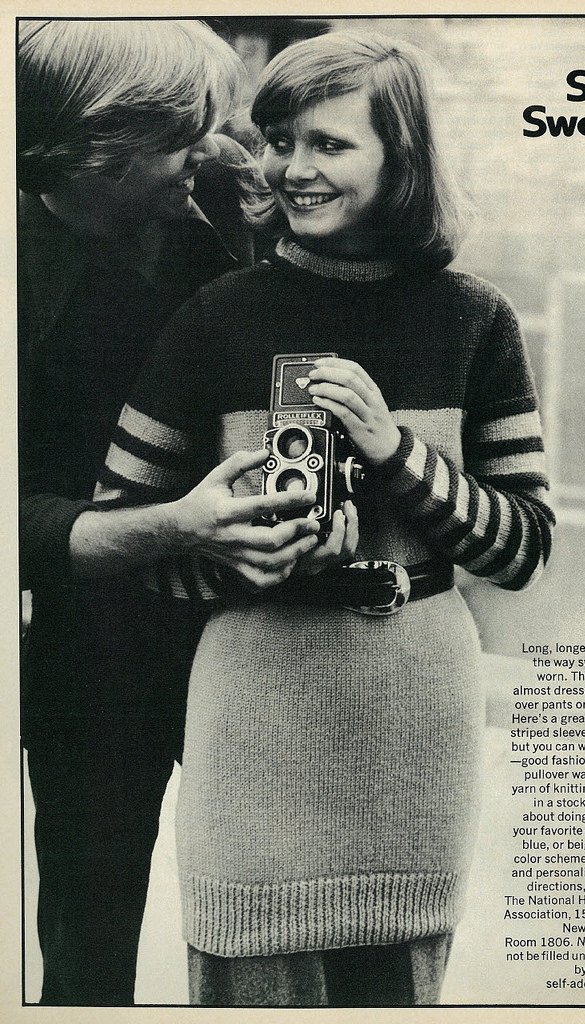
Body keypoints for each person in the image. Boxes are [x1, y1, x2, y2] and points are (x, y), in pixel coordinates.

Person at [96, 31, 555, 1007]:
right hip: (251, 717)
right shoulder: (214, 317)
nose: (292, 168)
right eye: (279, 140)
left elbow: (523, 548)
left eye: (329, 143)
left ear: (402, 154)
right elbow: (121, 533)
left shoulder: (474, 320)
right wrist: (238, 558)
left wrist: (395, 452)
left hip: (412, 725)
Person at [19, 19, 325, 1006]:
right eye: (190, 132)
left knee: (282, 903)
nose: (217, 147)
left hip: (248, 618)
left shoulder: (216, 208)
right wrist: (172, 525)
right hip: (92, 638)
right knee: (90, 916)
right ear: (100, 152)